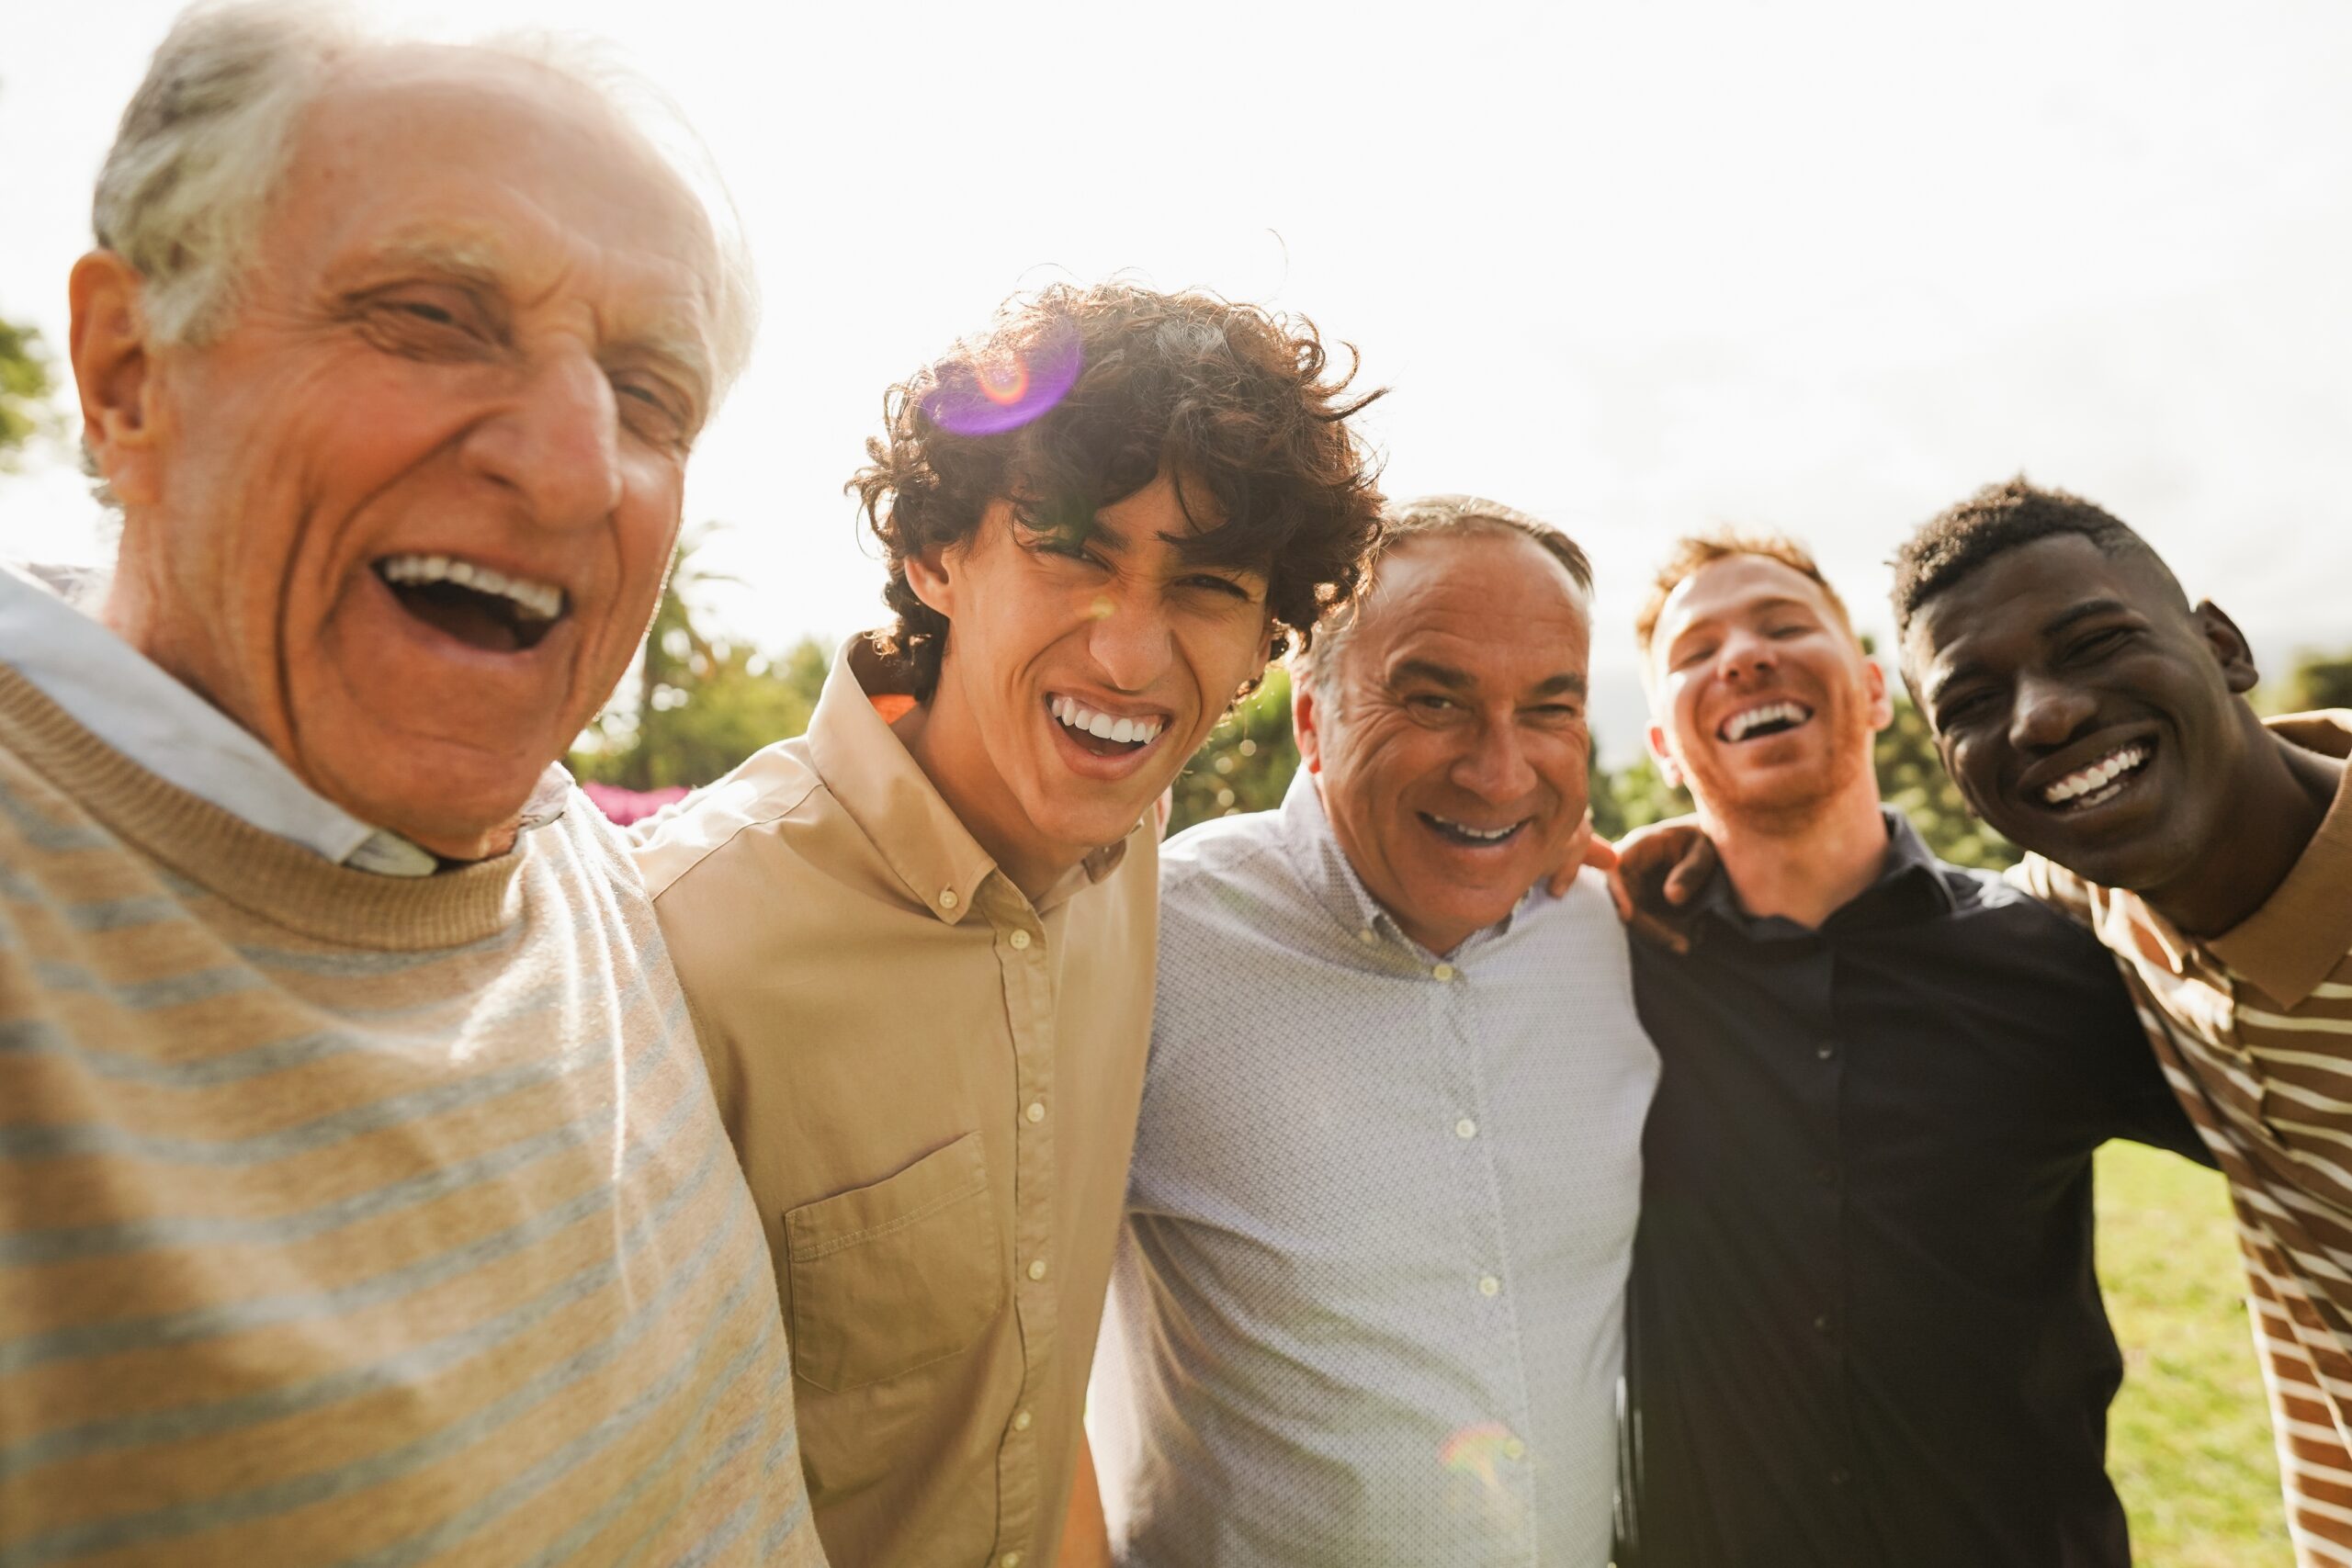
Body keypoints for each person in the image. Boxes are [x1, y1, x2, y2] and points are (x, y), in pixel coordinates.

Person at [0, 6, 820, 1564]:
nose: (578, 468)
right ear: (124, 374)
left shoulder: (559, 833)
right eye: (435, 317)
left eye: (651, 395)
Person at [633, 282, 1386, 1568]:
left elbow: (1021, 1407)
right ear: (936, 554)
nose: (1133, 652)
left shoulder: (1129, 863)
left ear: (1266, 637)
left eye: (1205, 585)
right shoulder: (681, 943)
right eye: (1075, 550)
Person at [1083, 496, 1657, 1565]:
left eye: (1548, 709)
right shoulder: (1146, 939)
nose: (1498, 771)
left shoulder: (1624, 937)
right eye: (1432, 700)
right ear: (1311, 715)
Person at [1620, 529, 2206, 1567]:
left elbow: (2271, 1124)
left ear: (1875, 689)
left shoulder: (2054, 959)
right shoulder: (1604, 969)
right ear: (1662, 747)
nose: (1743, 656)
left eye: (1784, 624)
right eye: (1694, 649)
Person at [1894, 479, 2352, 1568]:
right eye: (1969, 703)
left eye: (2094, 642)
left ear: (2225, 648)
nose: (2043, 714)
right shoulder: (2082, 915)